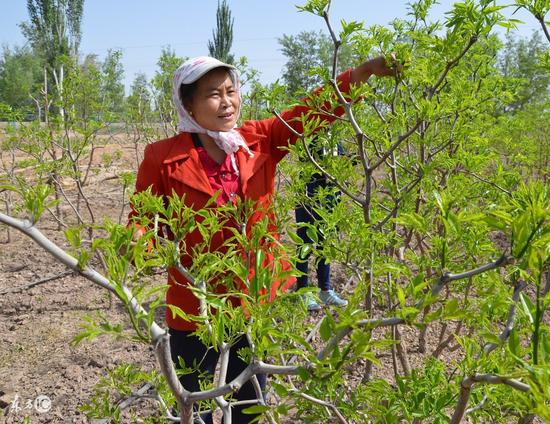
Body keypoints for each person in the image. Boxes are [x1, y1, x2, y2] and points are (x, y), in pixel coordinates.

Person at [130, 54, 395, 423]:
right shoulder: (162, 157)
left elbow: (311, 111)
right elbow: (142, 217)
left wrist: (361, 74)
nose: (226, 102)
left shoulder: (258, 139)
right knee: (198, 403)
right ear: (188, 104)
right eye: (213, 94)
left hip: (253, 299)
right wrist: (139, 241)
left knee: (249, 405)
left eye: (231, 91)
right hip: (195, 306)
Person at [295, 137, 349, 311]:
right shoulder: (312, 138)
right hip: (309, 196)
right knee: (306, 245)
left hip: (329, 197)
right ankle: (303, 292)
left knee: (324, 245)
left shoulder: (334, 136)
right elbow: (312, 164)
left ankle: (325, 291)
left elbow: (339, 165)